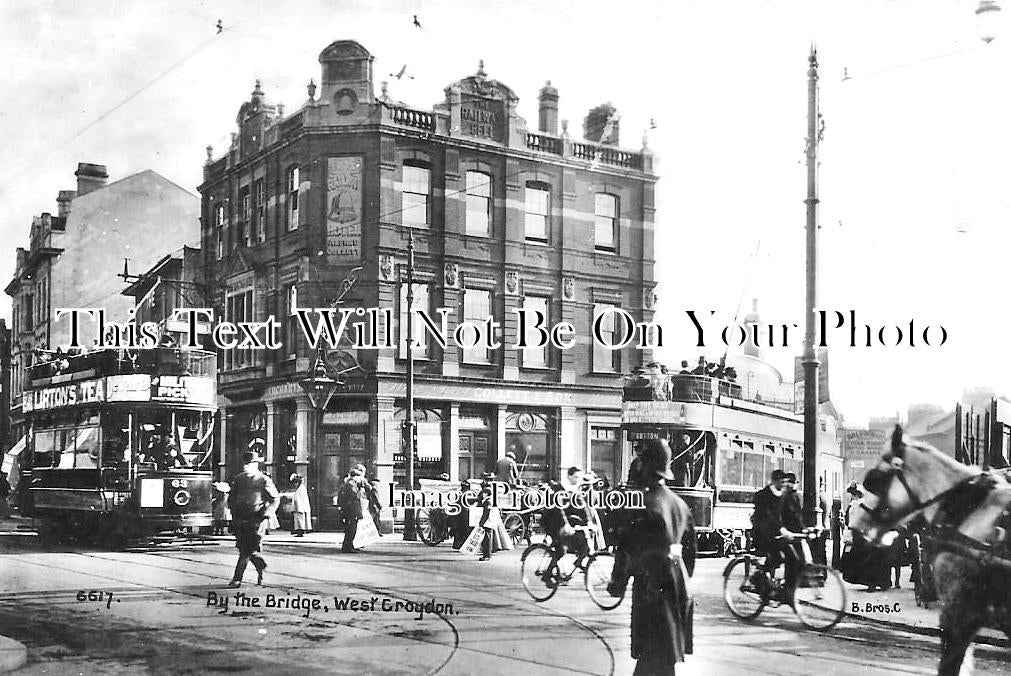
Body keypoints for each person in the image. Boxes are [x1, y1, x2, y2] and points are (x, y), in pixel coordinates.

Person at [628, 438, 694, 675]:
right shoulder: (680, 505)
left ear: (646, 467)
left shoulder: (643, 503)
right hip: (678, 587)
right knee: (666, 657)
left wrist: (618, 582)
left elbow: (629, 548)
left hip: (651, 589)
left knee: (649, 657)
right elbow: (690, 553)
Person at [227, 451, 279, 588]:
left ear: (256, 465)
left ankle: (237, 579)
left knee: (246, 550)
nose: (246, 467)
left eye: (249, 464)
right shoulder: (239, 479)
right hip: (240, 519)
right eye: (245, 464)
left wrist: (266, 513)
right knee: (244, 548)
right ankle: (260, 565)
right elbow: (231, 498)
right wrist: (233, 513)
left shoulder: (264, 480)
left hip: (257, 520)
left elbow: (275, 499)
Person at [751, 469, 803, 598]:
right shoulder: (763, 495)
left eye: (785, 482)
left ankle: (787, 591)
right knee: (777, 557)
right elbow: (767, 516)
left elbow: (792, 515)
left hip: (776, 534)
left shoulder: (784, 496)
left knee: (794, 558)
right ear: (774, 481)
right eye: (781, 481)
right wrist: (781, 529)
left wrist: (803, 528)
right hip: (763, 534)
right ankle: (759, 578)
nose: (784, 484)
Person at [338, 465, 366, 552]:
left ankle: (349, 546)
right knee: (351, 529)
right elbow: (355, 496)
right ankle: (347, 547)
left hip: (351, 510)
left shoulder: (351, 484)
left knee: (351, 529)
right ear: (355, 477)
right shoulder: (350, 484)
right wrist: (360, 492)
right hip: (351, 510)